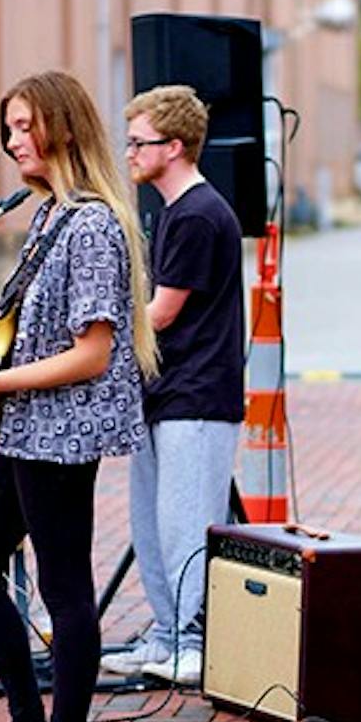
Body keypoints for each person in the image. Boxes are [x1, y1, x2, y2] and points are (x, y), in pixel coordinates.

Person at [0, 70, 158, 722]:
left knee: (67, 591)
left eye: (26, 125)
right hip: (27, 426)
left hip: (62, 432)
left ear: (63, 127)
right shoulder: (50, 216)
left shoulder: (92, 223)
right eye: (9, 127)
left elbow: (94, 350)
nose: (13, 140)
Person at [99, 85, 244, 686]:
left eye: (140, 142)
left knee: (186, 525)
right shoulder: (171, 213)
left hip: (198, 397)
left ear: (176, 146)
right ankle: (165, 636)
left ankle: (192, 640)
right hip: (166, 395)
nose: (129, 152)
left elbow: (159, 313)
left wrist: (96, 326)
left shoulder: (198, 214)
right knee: (153, 526)